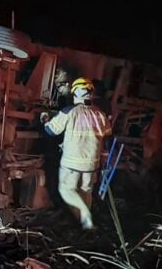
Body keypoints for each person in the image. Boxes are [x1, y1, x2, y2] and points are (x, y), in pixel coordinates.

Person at [42, 77, 111, 229]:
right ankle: (84, 226)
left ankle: (86, 215)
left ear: (75, 93)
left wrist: (45, 119)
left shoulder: (69, 112)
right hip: (92, 164)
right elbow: (107, 133)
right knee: (85, 192)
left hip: (71, 163)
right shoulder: (100, 114)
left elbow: (51, 130)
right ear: (91, 94)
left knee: (67, 190)